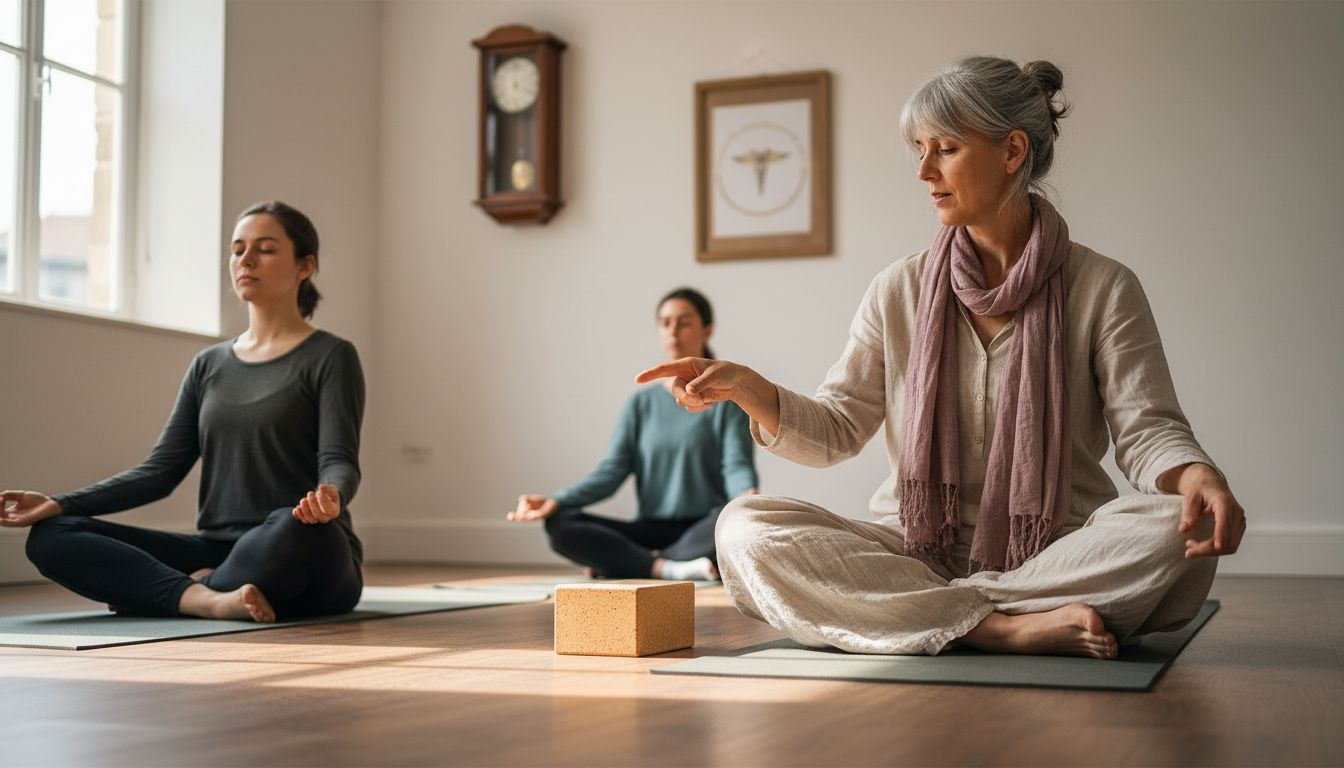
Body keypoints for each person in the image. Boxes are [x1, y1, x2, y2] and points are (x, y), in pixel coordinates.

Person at [638, 57, 1247, 658]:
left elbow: (1147, 431)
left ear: (1012, 152)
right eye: (920, 150)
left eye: (945, 148)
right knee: (743, 530)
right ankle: (1002, 626)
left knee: (1177, 528)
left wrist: (1198, 476)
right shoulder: (898, 289)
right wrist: (748, 386)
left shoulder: (1104, 286)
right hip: (911, 545)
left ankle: (926, 613)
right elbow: (838, 429)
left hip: (1060, 547)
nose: (924, 171)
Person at [2, 201, 365, 623]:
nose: (245, 260)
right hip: (216, 548)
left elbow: (339, 460)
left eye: (265, 249)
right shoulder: (209, 364)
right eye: (236, 249)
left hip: (300, 547)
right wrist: (59, 503)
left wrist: (331, 498)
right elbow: (160, 471)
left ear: (305, 266)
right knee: (52, 536)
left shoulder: (330, 355)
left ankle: (167, 591)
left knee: (291, 526)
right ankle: (207, 598)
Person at [509, 288, 759, 582]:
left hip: (702, 528)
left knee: (732, 519)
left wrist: (746, 495)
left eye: (684, 322)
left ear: (707, 330)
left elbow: (736, 466)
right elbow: (611, 473)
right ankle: (665, 567)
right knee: (560, 523)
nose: (673, 331)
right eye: (665, 323)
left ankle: (630, 563)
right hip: (649, 528)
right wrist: (557, 499)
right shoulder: (641, 404)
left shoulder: (726, 403)